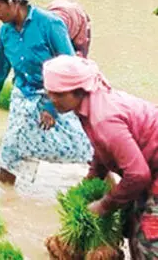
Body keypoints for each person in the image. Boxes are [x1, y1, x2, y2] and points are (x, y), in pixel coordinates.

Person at [0, 0, 92, 185]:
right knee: (10, 154)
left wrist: (51, 107)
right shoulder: (6, 33)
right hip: (23, 97)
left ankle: (106, 188)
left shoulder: (50, 25)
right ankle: (7, 200)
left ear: (14, 3)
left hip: (57, 96)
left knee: (85, 149)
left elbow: (70, 68)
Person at [43, 55, 158, 259]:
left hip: (152, 170)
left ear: (77, 90)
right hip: (149, 164)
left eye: (58, 94)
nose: (52, 99)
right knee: (130, 223)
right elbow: (103, 146)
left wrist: (104, 204)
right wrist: (94, 175)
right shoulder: (89, 104)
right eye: (49, 93)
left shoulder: (103, 117)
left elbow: (139, 175)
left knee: (148, 239)